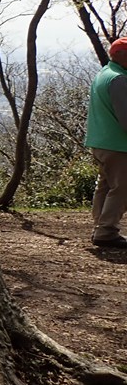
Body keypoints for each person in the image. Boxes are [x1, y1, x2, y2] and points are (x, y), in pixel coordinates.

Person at [85, 37, 127, 248]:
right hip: (118, 144)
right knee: (123, 188)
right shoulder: (118, 79)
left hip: (101, 141)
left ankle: (100, 227)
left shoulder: (104, 74)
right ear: (120, 55)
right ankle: (106, 231)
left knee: (106, 185)